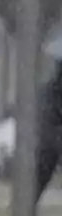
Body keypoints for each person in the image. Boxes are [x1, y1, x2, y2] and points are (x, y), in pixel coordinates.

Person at [36, 61, 62, 201]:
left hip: (48, 140)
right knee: (40, 177)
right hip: (49, 138)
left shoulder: (50, 88)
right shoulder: (53, 90)